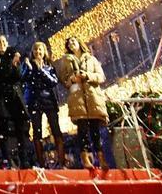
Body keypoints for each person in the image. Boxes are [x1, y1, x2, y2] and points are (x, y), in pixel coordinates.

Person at [56, 36, 108, 170]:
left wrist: (88, 76)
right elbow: (62, 78)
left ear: (79, 43)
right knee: (82, 130)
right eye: (68, 43)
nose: (71, 43)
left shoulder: (91, 59)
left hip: (92, 97)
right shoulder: (65, 61)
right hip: (77, 97)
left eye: (73, 41)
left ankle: (101, 158)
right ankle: (85, 158)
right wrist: (71, 79)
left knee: (95, 130)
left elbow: (101, 76)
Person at [0, 34, 29, 167]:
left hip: (15, 96)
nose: (2, 43)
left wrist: (13, 65)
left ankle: (24, 159)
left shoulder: (14, 55)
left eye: (4, 41)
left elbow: (18, 76)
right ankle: (7, 160)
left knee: (20, 129)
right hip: (0, 96)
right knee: (3, 128)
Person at [24, 41, 66, 168]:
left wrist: (41, 70)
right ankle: (41, 163)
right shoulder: (28, 65)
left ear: (44, 52)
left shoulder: (49, 67)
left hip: (48, 100)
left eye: (40, 50)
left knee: (56, 130)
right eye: (35, 50)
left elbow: (53, 82)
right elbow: (24, 78)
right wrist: (30, 69)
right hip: (34, 101)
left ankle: (62, 161)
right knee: (37, 133)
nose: (38, 52)